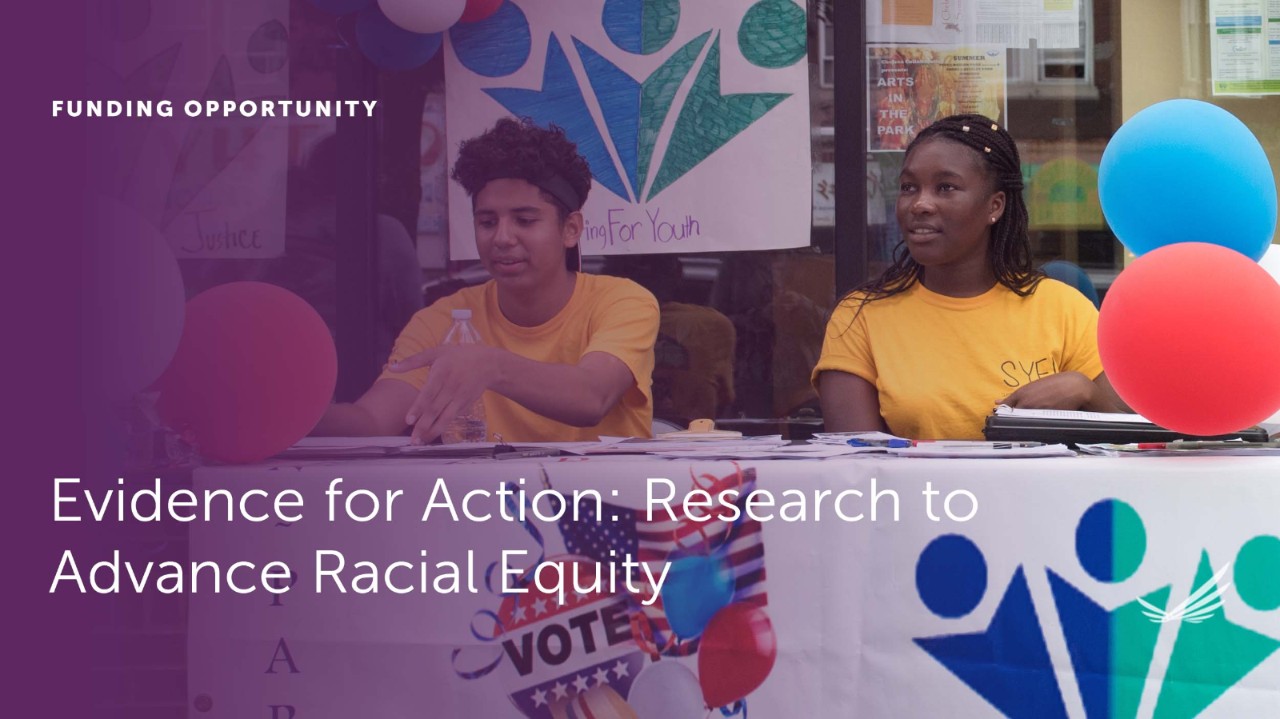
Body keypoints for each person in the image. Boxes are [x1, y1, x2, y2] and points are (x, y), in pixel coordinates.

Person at [313, 117, 659, 443]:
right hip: (482, 505)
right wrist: (292, 414)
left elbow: (592, 397)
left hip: (605, 502)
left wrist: (490, 366)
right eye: (487, 222)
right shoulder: (443, 318)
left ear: (571, 229)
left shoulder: (623, 302)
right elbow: (372, 422)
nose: (502, 238)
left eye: (524, 220)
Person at [812, 114, 1124, 440]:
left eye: (945, 187)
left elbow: (1131, 442)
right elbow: (855, 467)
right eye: (908, 187)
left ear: (995, 206)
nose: (920, 203)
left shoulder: (1063, 309)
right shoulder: (860, 316)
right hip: (923, 494)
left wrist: (1084, 390)